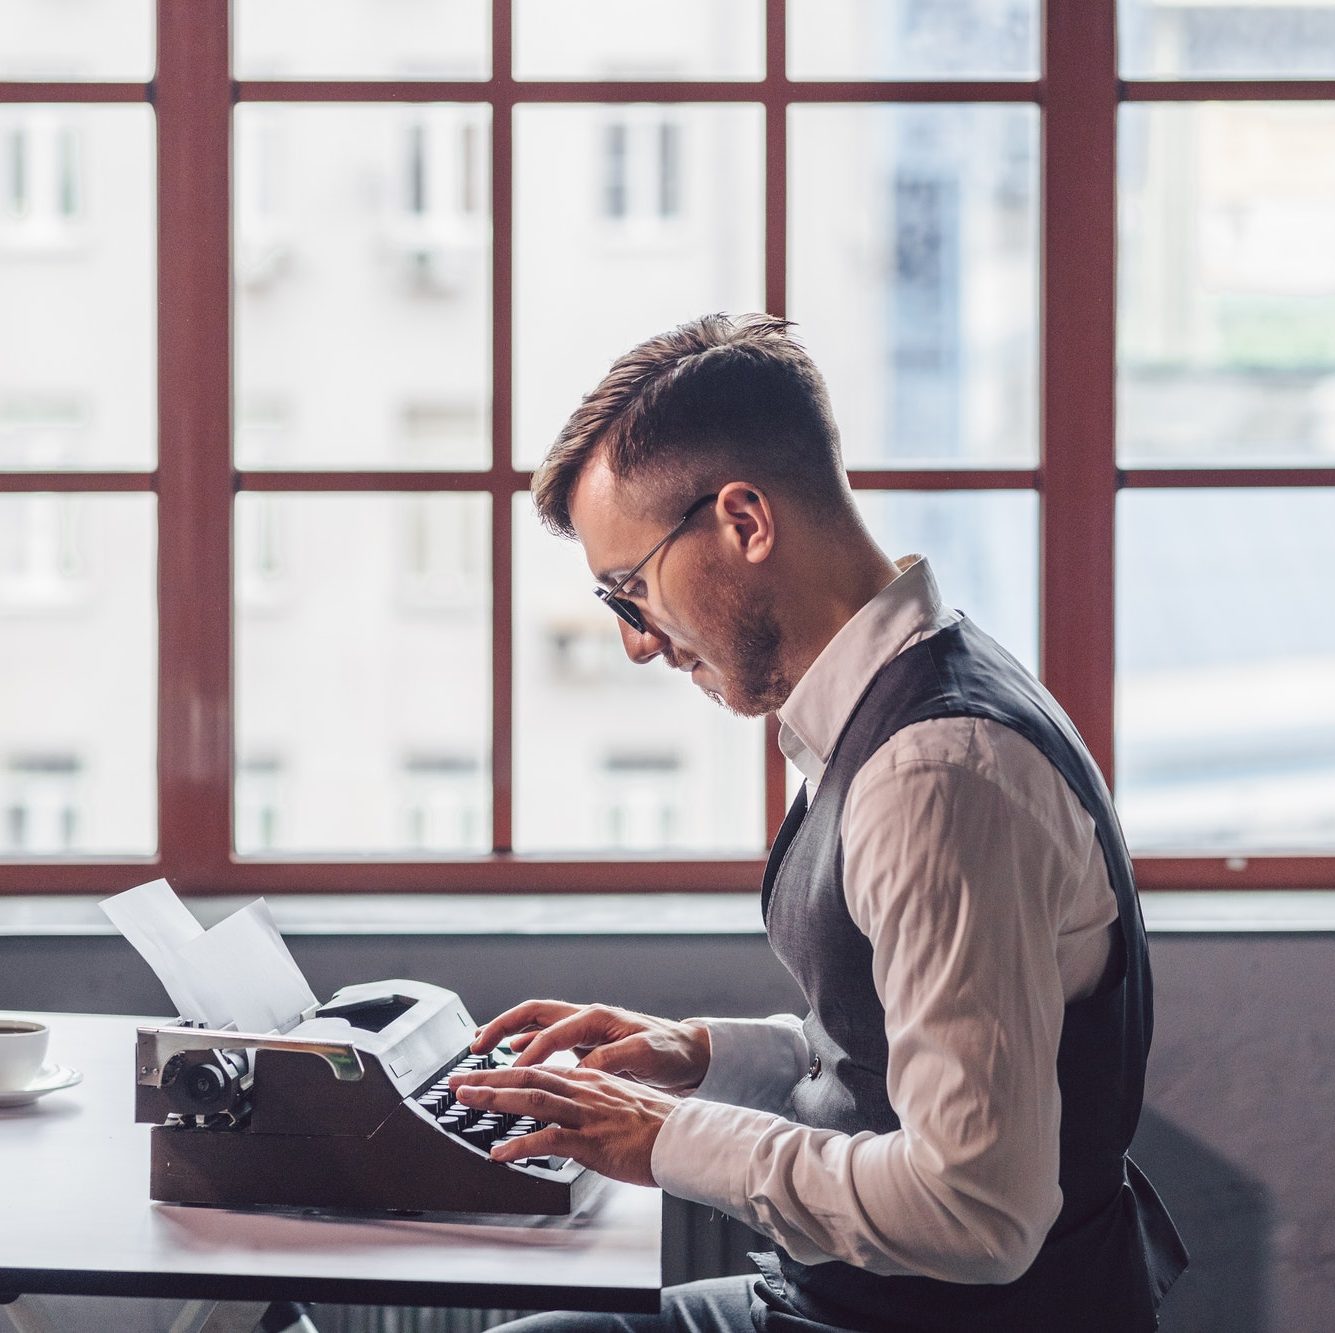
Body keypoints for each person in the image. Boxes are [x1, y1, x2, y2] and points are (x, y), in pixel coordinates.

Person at [450, 314, 1187, 1331]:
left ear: (745, 521)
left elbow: (977, 1210)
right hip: (833, 1298)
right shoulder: (892, 700)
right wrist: (694, 1052)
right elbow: (880, 1049)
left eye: (632, 590)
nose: (638, 642)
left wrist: (662, 1134)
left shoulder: (935, 774)